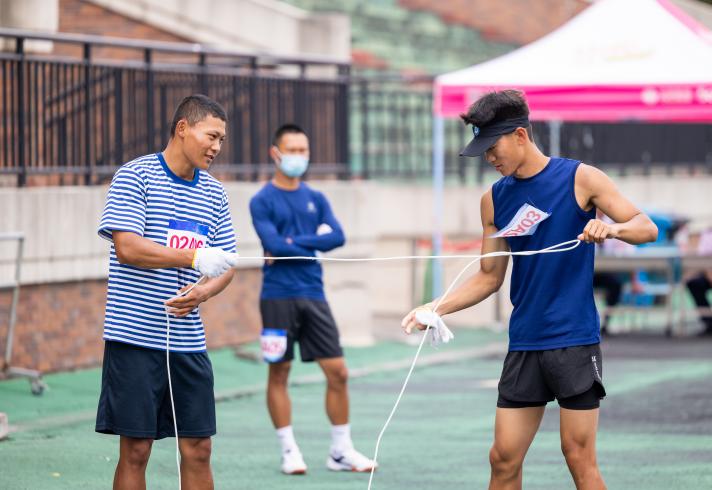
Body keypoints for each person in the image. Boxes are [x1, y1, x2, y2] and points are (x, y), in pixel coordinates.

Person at [401, 90, 657, 490]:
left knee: (578, 457)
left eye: (493, 147)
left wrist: (612, 229)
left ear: (520, 135)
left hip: (573, 340)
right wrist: (435, 307)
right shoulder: (493, 199)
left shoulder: (580, 178)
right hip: (524, 342)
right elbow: (489, 277)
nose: (489, 158)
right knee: (502, 459)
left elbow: (646, 228)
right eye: (482, 150)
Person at [96, 94, 239, 490]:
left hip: (188, 342)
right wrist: (193, 257)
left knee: (199, 448)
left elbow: (227, 266)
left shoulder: (215, 193)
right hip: (134, 338)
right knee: (137, 449)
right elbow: (128, 247)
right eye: (211, 136)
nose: (217, 147)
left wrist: (204, 293)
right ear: (182, 128)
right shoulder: (135, 176)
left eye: (222, 140)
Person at [249, 123, 376, 475]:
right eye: (292, 150)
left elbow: (337, 237)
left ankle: (341, 451)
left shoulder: (316, 198)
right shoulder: (261, 200)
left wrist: (293, 243)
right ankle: (289, 451)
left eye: (303, 150)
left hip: (313, 294)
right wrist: (306, 241)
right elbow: (273, 245)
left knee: (338, 372)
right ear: (276, 154)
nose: (299, 156)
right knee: (279, 372)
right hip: (277, 296)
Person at [685, 224, 712, 336]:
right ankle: (709, 322)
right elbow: (703, 259)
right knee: (693, 283)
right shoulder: (707, 234)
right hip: (708, 272)